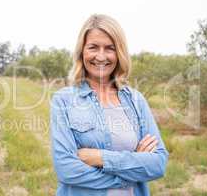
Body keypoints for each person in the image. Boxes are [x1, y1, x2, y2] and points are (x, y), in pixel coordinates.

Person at [50, 14, 169, 196]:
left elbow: (158, 164)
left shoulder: (136, 101)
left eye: (110, 48)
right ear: (82, 52)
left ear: (119, 53)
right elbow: (66, 169)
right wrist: (133, 167)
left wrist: (99, 157)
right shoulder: (63, 101)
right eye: (93, 47)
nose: (101, 56)